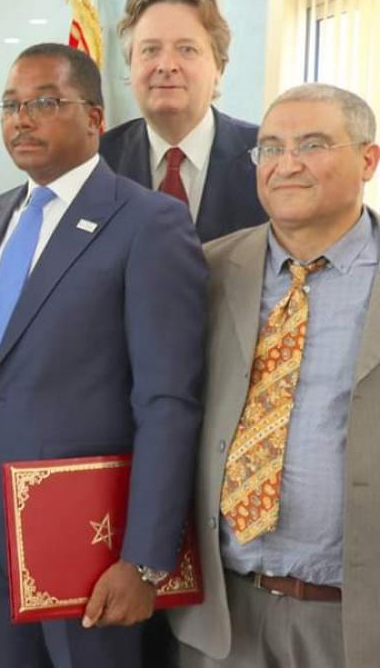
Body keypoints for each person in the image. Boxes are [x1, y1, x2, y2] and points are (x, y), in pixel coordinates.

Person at [0, 43, 206, 666]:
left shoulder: (149, 223)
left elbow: (168, 402)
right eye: (9, 105)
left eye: (43, 103)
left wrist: (144, 558)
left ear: (94, 118)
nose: (21, 119)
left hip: (91, 549)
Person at [170, 83, 380, 668]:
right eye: (270, 148)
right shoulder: (207, 269)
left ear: (368, 159)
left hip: (353, 619)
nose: (286, 165)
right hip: (223, 612)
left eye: (312, 145)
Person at [100, 0, 267, 242]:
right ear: (130, 67)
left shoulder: (266, 158)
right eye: (150, 50)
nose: (166, 65)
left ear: (219, 67)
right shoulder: (98, 161)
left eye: (187, 50)